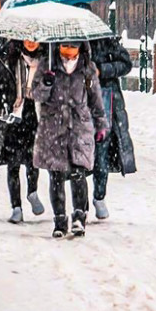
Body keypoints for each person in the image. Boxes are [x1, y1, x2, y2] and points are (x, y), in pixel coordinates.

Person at [32, 40, 108, 239]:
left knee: (78, 174)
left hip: (79, 127)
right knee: (56, 176)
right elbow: (37, 95)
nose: (68, 51)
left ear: (80, 48)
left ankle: (79, 218)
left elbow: (95, 98)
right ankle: (59, 220)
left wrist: (100, 123)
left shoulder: (87, 69)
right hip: (53, 128)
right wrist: (45, 84)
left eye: (73, 47)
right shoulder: (47, 65)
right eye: (65, 46)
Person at [0, 35, 46, 224]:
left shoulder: (46, 61)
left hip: (35, 114)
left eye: (35, 39)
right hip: (13, 114)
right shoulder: (9, 59)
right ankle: (16, 206)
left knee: (33, 158)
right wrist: (0, 101)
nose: (31, 42)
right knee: (13, 162)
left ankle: (32, 191)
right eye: (27, 39)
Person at [89, 36, 136, 220]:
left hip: (105, 100)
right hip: (76, 99)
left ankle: (99, 196)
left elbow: (125, 63)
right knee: (78, 156)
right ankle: (81, 203)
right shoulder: (67, 43)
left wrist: (102, 70)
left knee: (101, 152)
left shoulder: (105, 39)